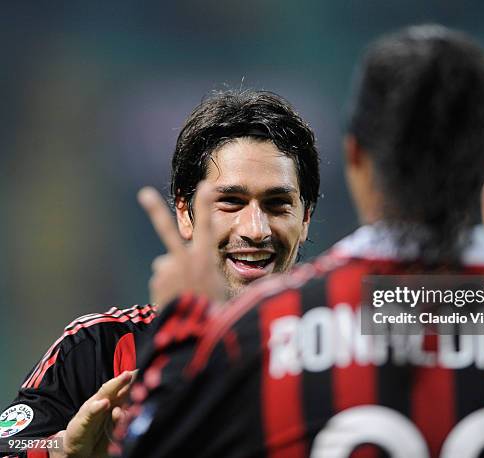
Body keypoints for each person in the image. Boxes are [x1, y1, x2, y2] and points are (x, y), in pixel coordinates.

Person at [119, 24, 484, 457]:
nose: (254, 228)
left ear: (354, 158)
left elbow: (146, 444)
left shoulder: (259, 333)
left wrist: (182, 331)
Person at [0, 90, 320, 458]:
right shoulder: (100, 345)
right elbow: (10, 445)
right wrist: (62, 450)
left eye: (277, 204)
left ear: (305, 216)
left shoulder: (345, 342)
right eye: (230, 202)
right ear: (185, 213)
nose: (256, 228)